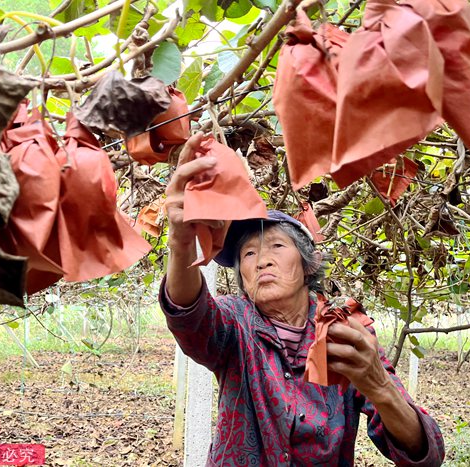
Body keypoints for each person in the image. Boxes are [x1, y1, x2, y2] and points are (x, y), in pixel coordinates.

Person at [160, 133, 445, 466]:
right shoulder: (234, 322)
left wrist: (380, 387)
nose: (261, 260)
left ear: (307, 262)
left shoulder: (343, 331)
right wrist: (181, 242)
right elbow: (189, 316)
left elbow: (425, 454)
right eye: (248, 253)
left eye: (277, 246)